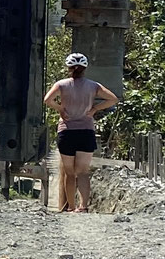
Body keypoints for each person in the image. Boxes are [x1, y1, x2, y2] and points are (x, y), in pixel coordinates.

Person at [44, 52, 118, 212]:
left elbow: (47, 100)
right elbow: (113, 99)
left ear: (68, 68)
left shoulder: (61, 85)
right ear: (85, 68)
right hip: (86, 131)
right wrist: (95, 109)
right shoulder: (93, 85)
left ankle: (70, 207)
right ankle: (83, 206)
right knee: (83, 172)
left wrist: (60, 109)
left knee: (69, 173)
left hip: (67, 131)